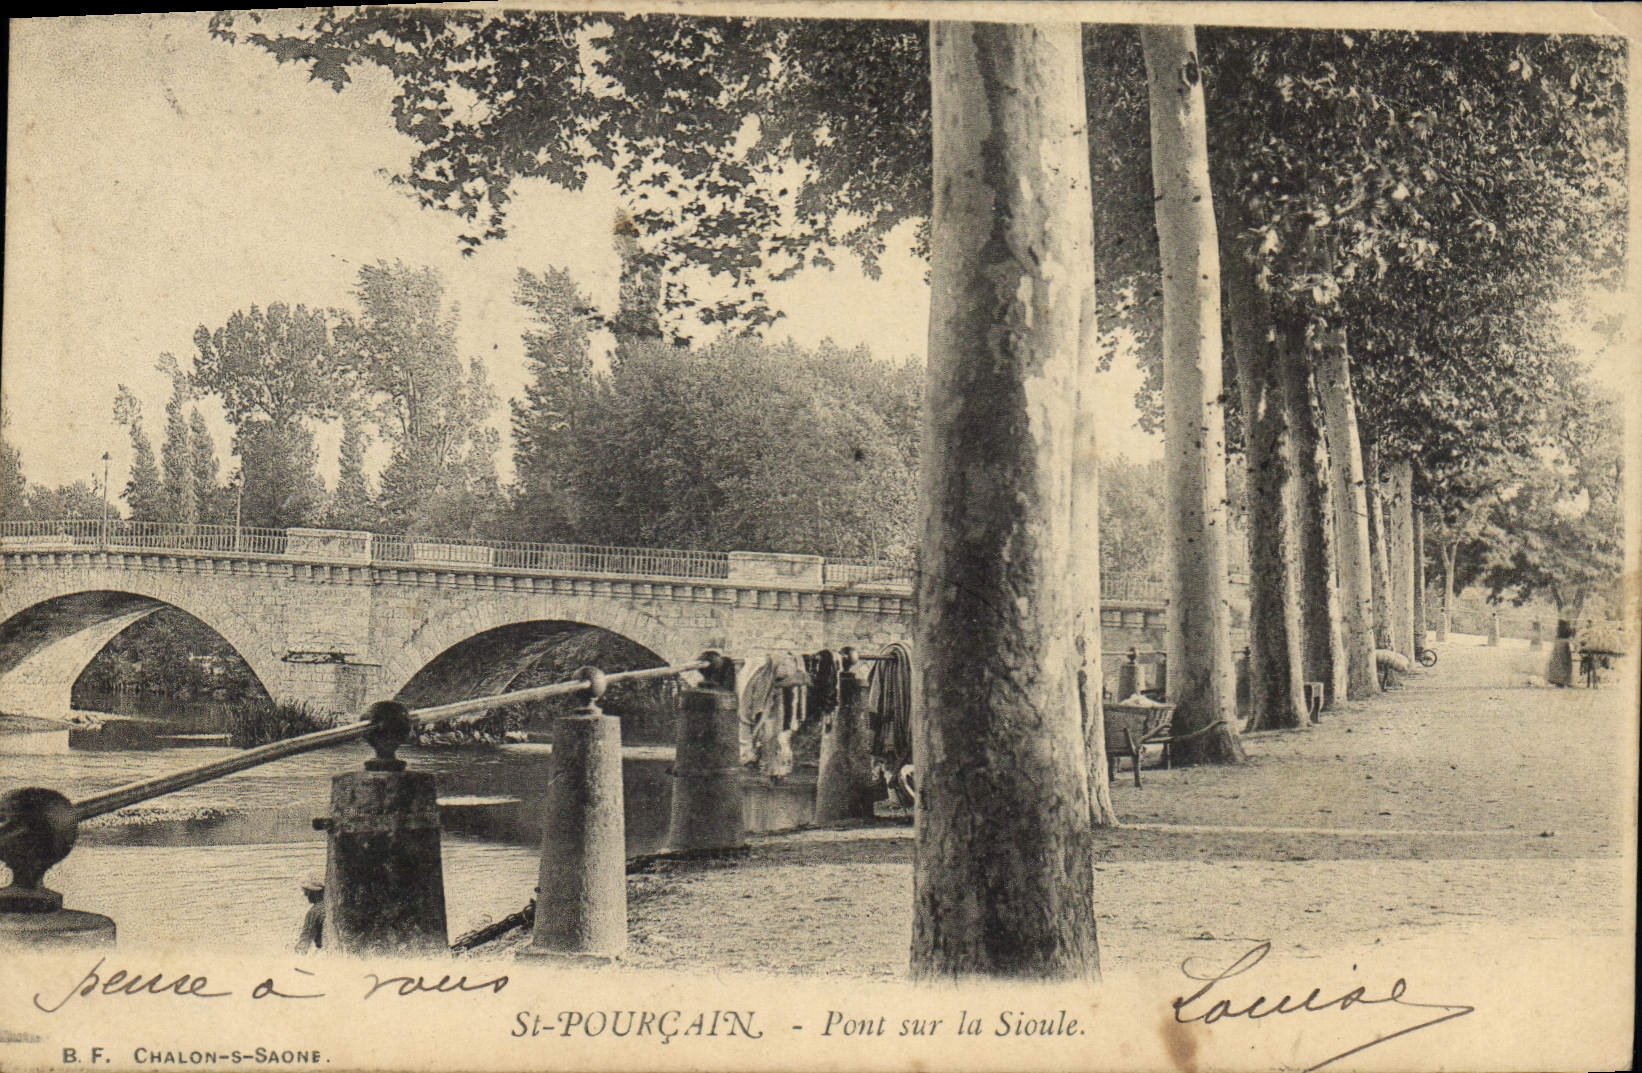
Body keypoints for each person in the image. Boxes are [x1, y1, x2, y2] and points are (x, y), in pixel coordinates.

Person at [294, 878, 325, 953]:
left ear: (315, 893)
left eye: (307, 891)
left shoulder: (314, 912)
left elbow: (305, 940)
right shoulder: (331, 907)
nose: (305, 894)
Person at [1546, 619, 1575, 688]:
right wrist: (1572, 630)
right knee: (1562, 663)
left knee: (1559, 663)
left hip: (1560, 645)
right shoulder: (1564, 625)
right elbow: (1568, 634)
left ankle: (1559, 680)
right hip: (1562, 645)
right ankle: (1561, 680)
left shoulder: (1561, 626)